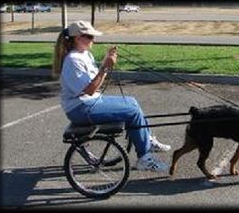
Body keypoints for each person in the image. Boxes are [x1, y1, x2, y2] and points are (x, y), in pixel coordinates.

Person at [52, 20, 171, 172]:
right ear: (77, 38)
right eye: (89, 37)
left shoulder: (84, 55)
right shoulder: (73, 60)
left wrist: (106, 64)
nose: (93, 40)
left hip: (89, 102)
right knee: (132, 110)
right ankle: (144, 158)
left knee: (132, 102)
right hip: (80, 108)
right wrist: (105, 66)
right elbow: (89, 89)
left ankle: (147, 140)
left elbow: (96, 81)